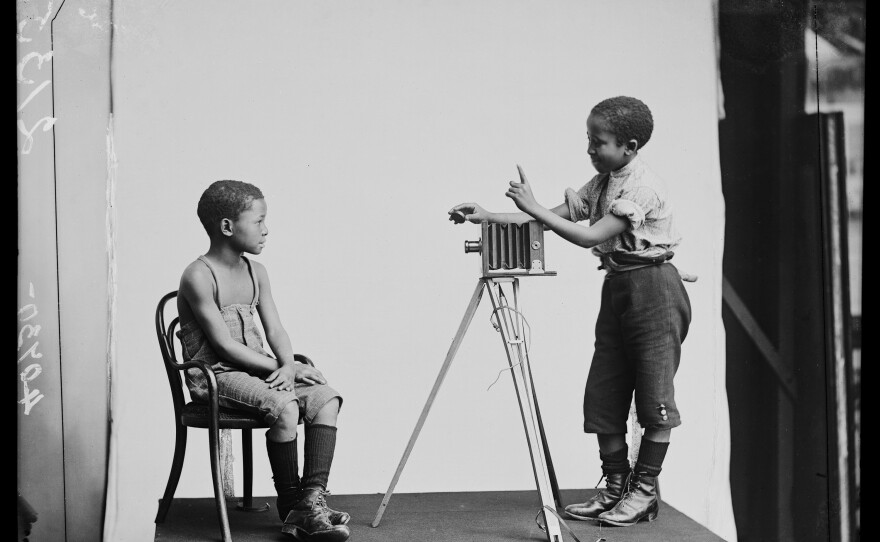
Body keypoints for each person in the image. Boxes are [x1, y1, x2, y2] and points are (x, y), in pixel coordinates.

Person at [449, 96, 692, 527]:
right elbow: (546, 219)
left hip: (654, 289)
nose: (590, 150)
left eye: (598, 142)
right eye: (588, 139)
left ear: (629, 146)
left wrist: (533, 207)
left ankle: (644, 492)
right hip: (618, 286)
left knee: (654, 397)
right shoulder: (604, 181)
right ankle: (616, 488)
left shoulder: (641, 187)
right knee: (605, 393)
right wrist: (489, 216)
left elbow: (587, 235)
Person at [177, 180, 350, 541]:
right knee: (286, 407)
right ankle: (292, 504)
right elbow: (223, 348)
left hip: (261, 370)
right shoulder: (198, 275)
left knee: (325, 398)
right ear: (227, 227)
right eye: (258, 221)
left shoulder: (257, 272)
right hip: (217, 376)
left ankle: (310, 501)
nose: (266, 229)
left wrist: (288, 363)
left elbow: (276, 330)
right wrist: (281, 369)